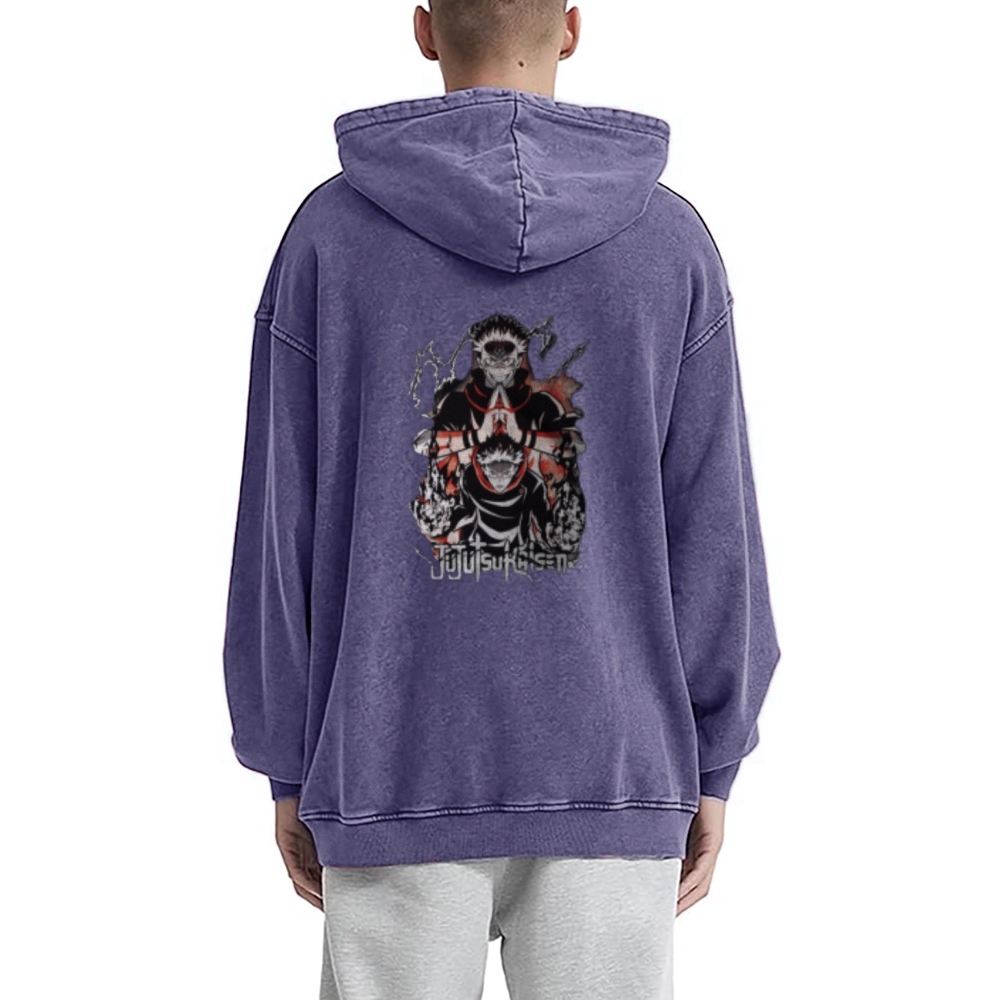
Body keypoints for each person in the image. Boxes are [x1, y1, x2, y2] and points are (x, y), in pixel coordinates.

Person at [222, 2, 781, 997]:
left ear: (423, 29)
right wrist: (712, 756)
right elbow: (716, 528)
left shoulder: (328, 240)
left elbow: (278, 522)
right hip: (615, 763)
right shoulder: (669, 243)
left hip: (386, 760)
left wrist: (287, 758)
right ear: (570, 27)